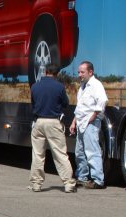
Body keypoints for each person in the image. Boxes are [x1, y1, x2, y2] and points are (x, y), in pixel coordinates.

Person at [28, 62, 77, 193]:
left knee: (38, 155)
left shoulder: (35, 87)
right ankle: (68, 184)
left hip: (38, 122)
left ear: (45, 72)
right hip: (53, 122)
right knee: (60, 153)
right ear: (57, 74)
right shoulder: (59, 87)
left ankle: (36, 184)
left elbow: (33, 104)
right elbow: (65, 103)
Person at [70, 60, 108, 189]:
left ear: (90, 72)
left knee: (92, 151)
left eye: (82, 72)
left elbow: (102, 101)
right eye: (79, 72)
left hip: (90, 122)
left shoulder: (96, 85)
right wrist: (74, 122)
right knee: (79, 152)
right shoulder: (83, 86)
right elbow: (80, 106)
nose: (80, 74)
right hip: (81, 121)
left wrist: (94, 116)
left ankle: (98, 180)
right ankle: (82, 177)